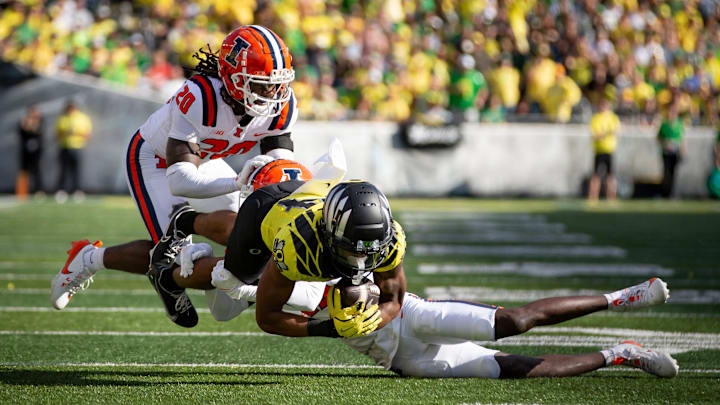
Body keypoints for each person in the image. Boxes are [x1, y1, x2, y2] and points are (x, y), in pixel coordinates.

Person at [50, 25, 300, 315]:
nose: (272, 92)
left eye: (276, 83)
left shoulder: (282, 106)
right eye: (260, 84)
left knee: (247, 239)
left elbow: (278, 170)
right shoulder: (201, 97)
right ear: (233, 78)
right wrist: (239, 182)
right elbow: (180, 181)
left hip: (204, 163)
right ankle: (88, 258)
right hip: (155, 161)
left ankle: (220, 282)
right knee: (174, 256)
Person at [54, 101, 92, 203]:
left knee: (77, 170)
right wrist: (66, 133)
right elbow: (57, 134)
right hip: (65, 146)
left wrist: (76, 133)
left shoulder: (82, 118)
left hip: (77, 147)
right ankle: (62, 191)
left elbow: (87, 134)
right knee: (63, 170)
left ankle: (77, 191)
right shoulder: (62, 118)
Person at [588, 99, 620, 200]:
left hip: (609, 149)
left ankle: (611, 196)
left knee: (610, 175)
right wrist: (605, 133)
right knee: (596, 175)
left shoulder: (613, 117)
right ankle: (593, 196)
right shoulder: (596, 118)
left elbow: (615, 130)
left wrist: (603, 134)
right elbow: (595, 134)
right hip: (599, 150)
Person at [657, 103, 686, 198]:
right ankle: (665, 192)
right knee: (666, 172)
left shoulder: (679, 124)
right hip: (666, 152)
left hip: (675, 152)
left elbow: (681, 139)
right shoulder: (664, 124)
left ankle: (672, 192)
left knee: (673, 173)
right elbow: (658, 138)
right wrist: (665, 143)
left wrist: (682, 151)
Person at [16, 104, 44, 200]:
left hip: (36, 150)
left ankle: (38, 190)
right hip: (25, 150)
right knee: (24, 170)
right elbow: (22, 131)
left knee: (36, 169)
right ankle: (22, 191)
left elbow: (37, 130)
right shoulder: (24, 120)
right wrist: (27, 125)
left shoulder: (40, 120)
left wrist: (30, 125)